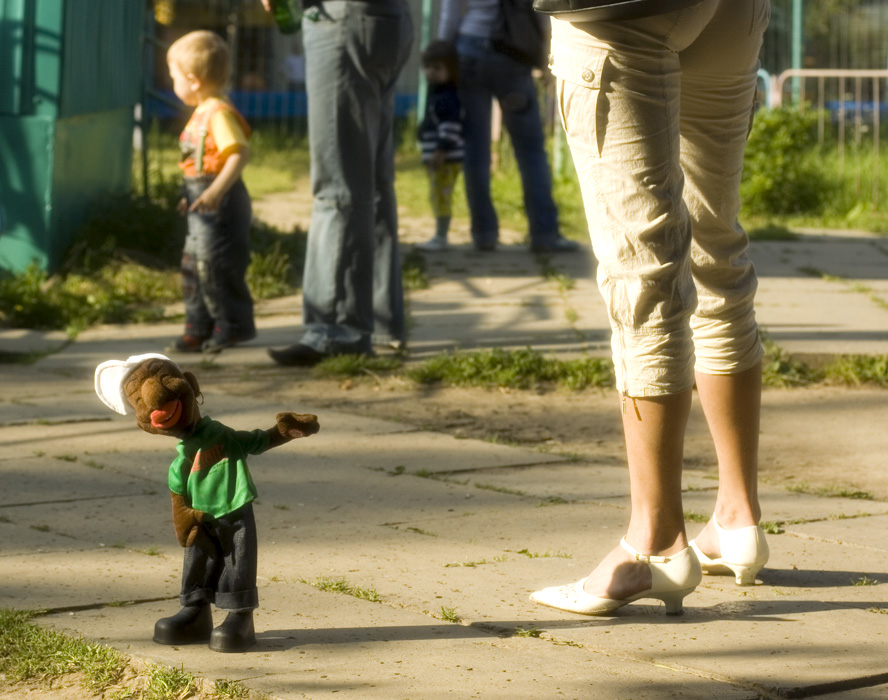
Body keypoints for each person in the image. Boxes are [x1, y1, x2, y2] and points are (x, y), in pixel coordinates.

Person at [529, 0, 772, 616]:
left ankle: (655, 543)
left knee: (643, 270)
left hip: (615, 9)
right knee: (716, 249)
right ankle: (737, 518)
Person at [262, 0, 413, 365]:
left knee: (339, 186)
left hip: (340, 20)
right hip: (390, 19)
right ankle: (378, 320)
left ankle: (334, 329)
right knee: (373, 183)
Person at [437, 0, 577, 253]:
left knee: (475, 149)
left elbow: (450, 13)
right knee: (531, 150)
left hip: (469, 52)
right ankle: (544, 234)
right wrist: (547, 55)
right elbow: (543, 12)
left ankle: (484, 234)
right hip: (512, 55)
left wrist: (442, 53)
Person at [166, 31, 256, 354]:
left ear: (192, 80)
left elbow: (238, 153)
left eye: (173, 76)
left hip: (221, 202)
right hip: (200, 199)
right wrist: (190, 196)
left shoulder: (218, 112)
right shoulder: (203, 110)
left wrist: (216, 190)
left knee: (216, 264)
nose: (172, 83)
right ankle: (199, 325)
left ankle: (230, 325)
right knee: (193, 263)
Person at [415, 41, 465, 253]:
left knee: (440, 196)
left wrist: (439, 152)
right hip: (442, 158)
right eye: (428, 67)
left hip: (446, 159)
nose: (431, 72)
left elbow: (450, 128)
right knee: (437, 195)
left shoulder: (446, 98)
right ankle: (439, 235)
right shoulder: (436, 95)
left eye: (438, 68)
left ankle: (441, 237)